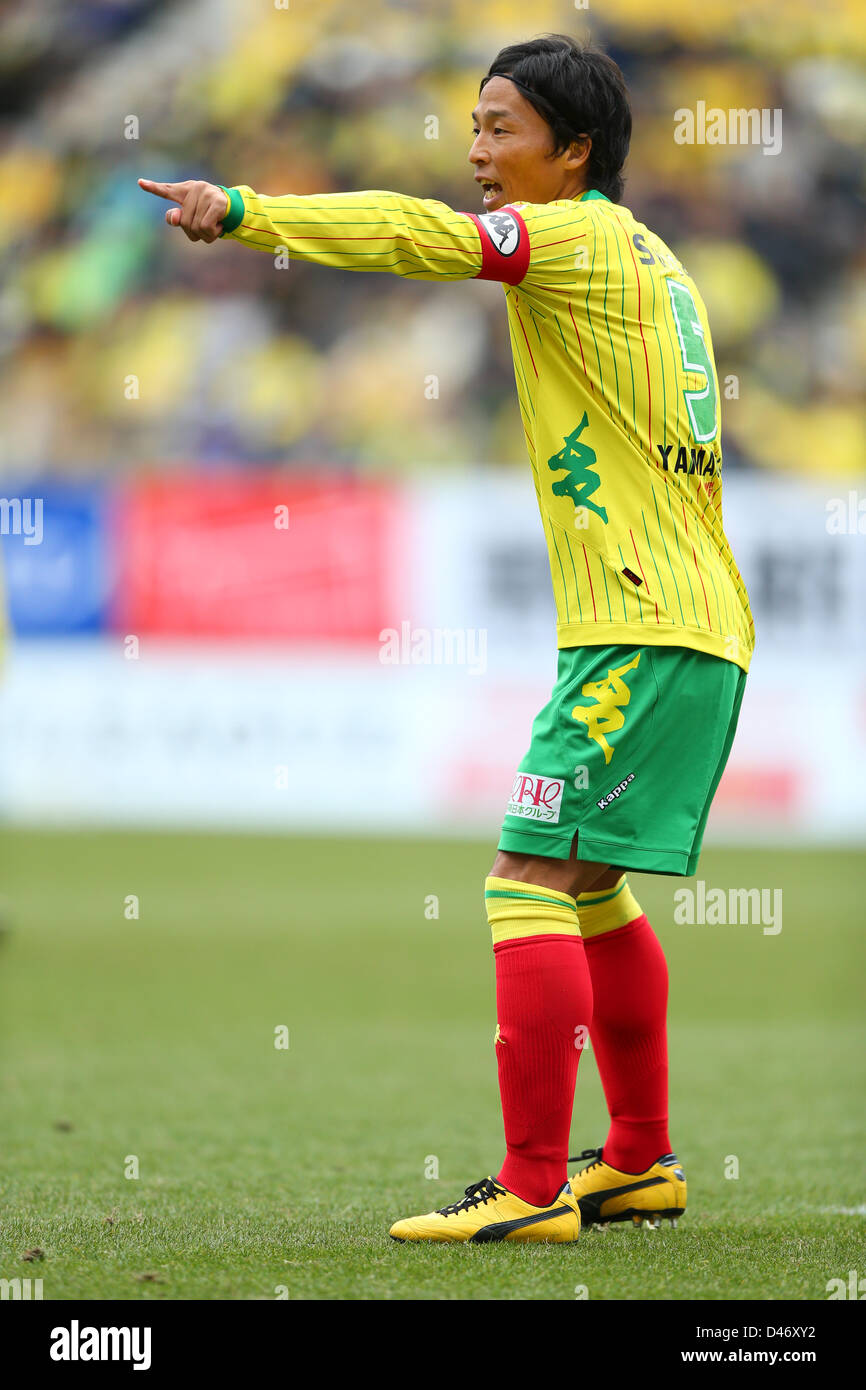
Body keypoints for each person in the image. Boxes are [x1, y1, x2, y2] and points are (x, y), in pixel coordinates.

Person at [140, 33, 754, 1245]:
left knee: (522, 879)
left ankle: (531, 1191)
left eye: (500, 129)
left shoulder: (568, 234)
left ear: (571, 152)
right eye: (471, 128)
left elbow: (420, 239)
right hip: (681, 618)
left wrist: (250, 211)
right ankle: (636, 1161)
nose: (476, 153)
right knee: (589, 890)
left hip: (638, 626)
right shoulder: (651, 255)